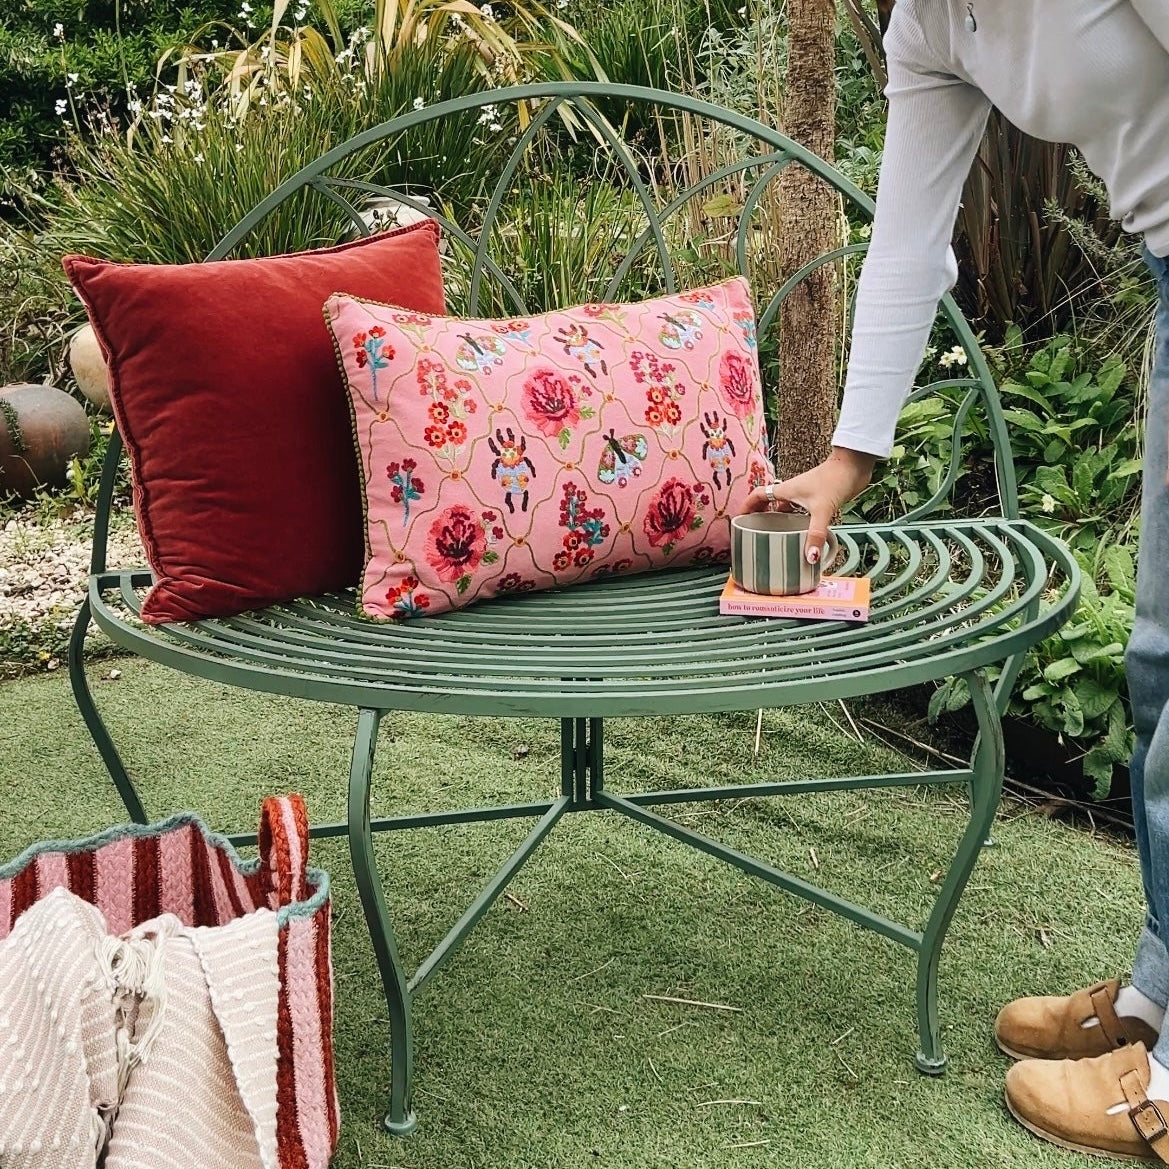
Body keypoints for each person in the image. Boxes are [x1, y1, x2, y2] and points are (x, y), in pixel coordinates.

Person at [741, 0, 1169, 1160]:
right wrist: (843, 463)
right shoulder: (926, 25)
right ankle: (1159, 995)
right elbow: (906, 243)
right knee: (1153, 665)